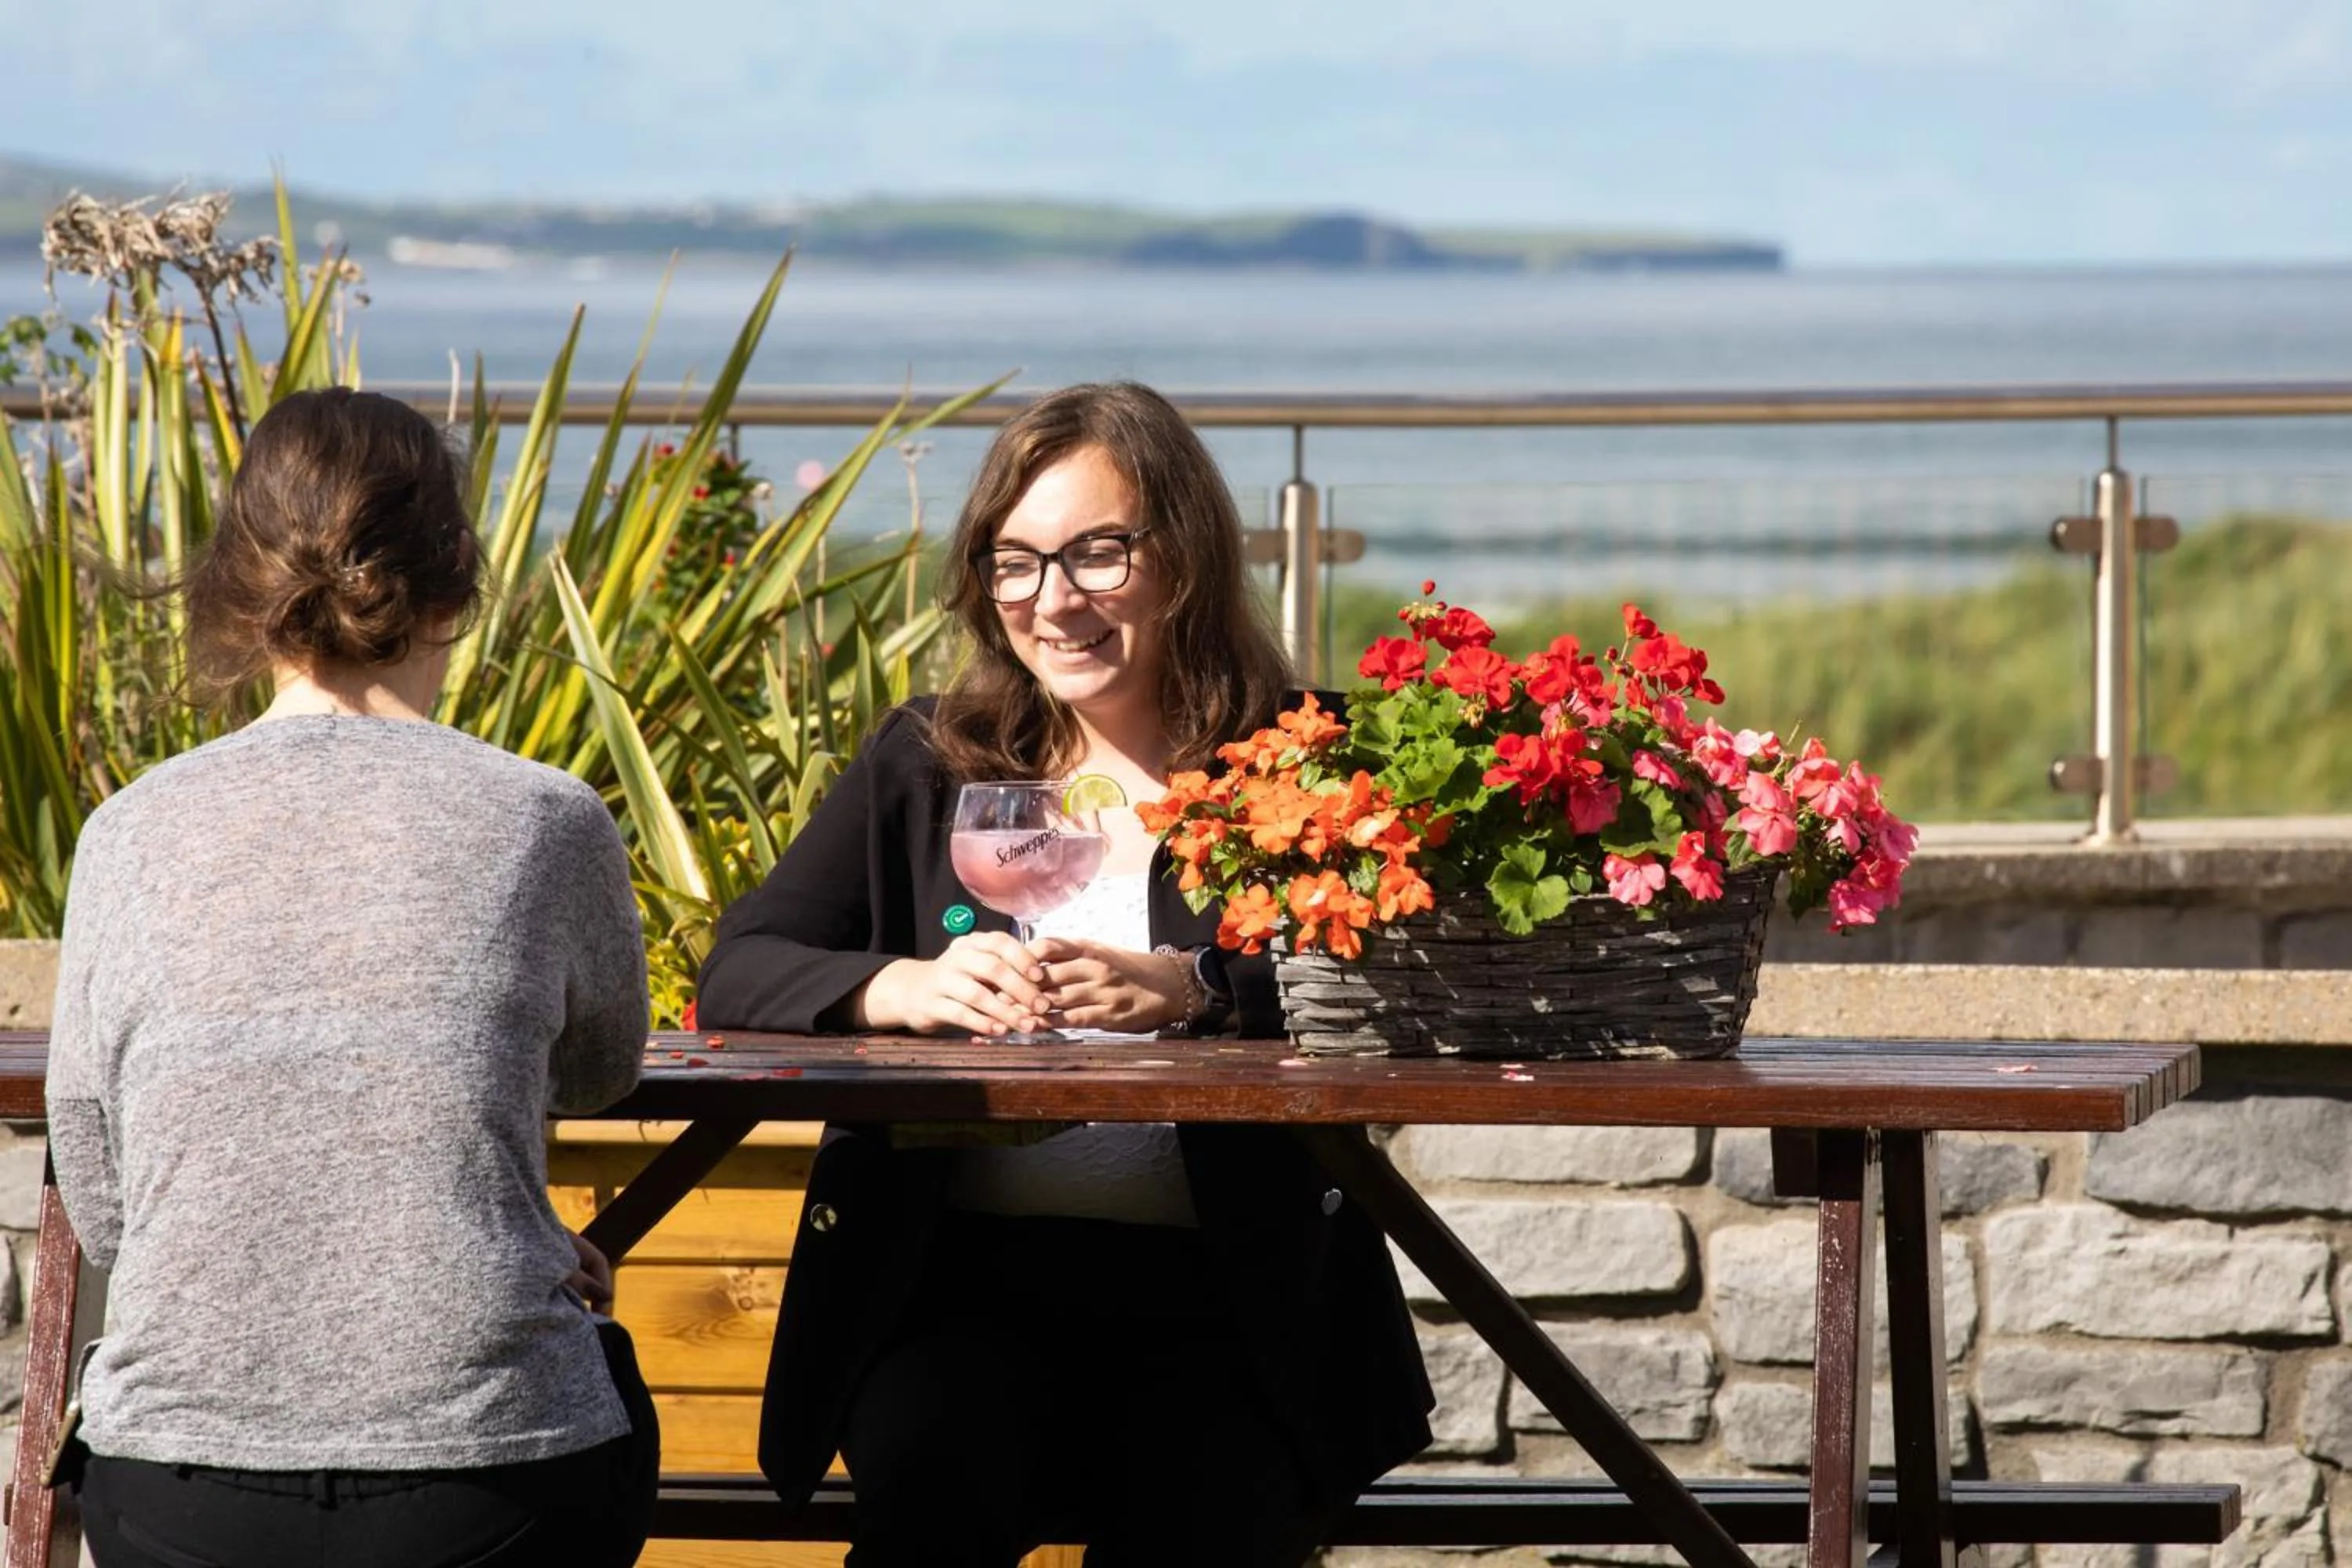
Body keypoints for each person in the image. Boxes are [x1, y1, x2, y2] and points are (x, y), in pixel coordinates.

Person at [698, 380, 1434, 1566]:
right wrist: (897, 991)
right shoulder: (931, 759)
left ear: (1184, 552)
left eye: (1098, 552)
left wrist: (1199, 988)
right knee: (934, 1496)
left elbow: (1419, 979)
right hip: (961, 1291)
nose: (1055, 600)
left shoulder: (1302, 754)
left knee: (1206, 1518)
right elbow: (739, 965)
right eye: (1017, 561)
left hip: (1230, 1299)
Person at [45, 387, 660, 1568]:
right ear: (455, 583)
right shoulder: (543, 817)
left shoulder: (127, 830)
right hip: (493, 1482)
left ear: (237, 583)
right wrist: (494, 1238)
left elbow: (104, 1185)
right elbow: (598, 1070)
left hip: (178, 1487)